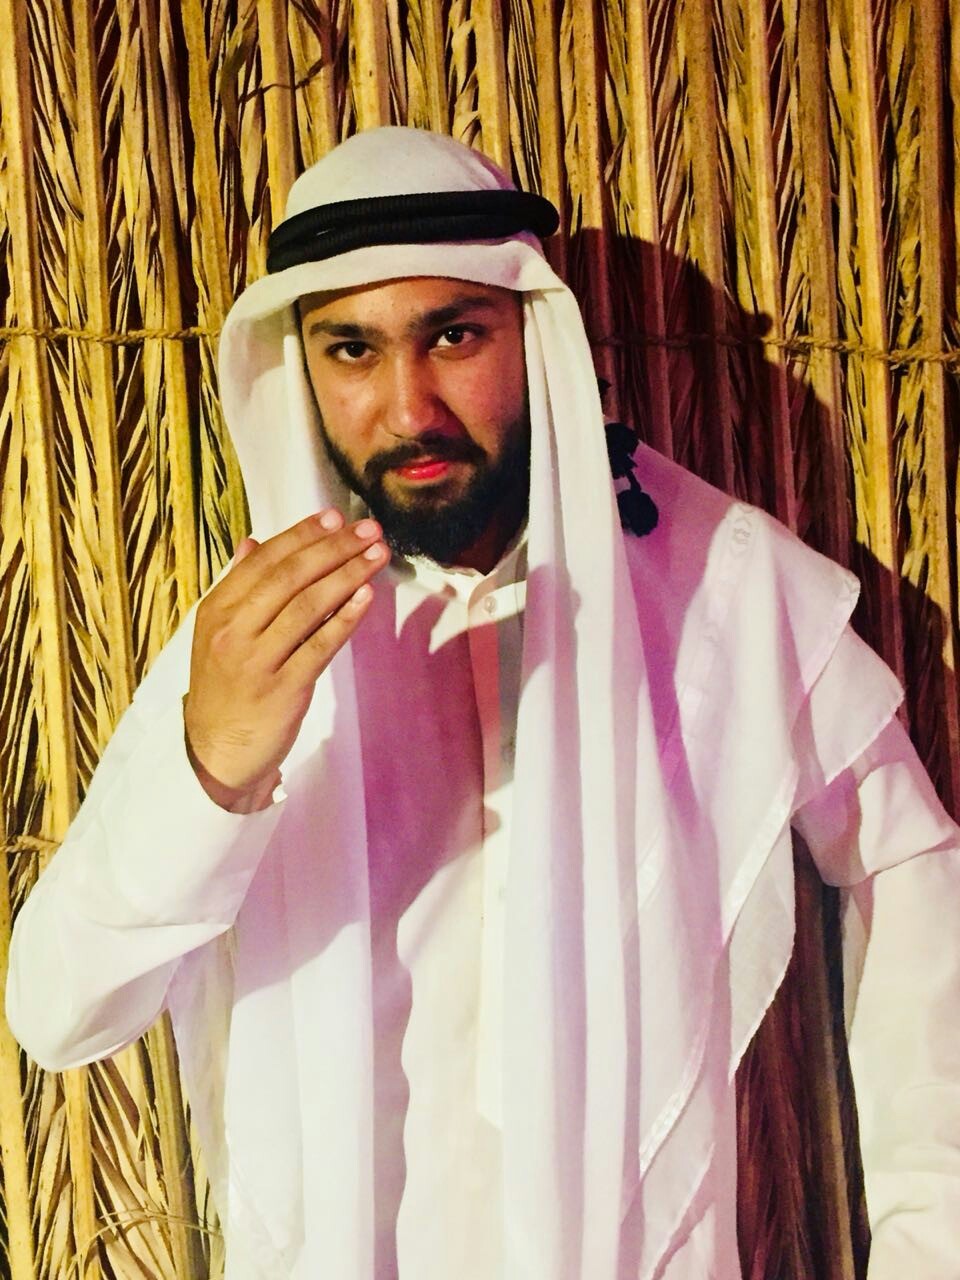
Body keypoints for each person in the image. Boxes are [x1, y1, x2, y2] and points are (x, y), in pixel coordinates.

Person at [6, 127, 960, 1280]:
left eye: (453, 336)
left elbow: (911, 862)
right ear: (299, 366)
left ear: (531, 333)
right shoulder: (261, 630)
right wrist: (212, 769)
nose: (408, 407)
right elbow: (61, 1012)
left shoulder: (722, 585)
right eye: (352, 350)